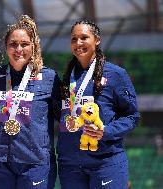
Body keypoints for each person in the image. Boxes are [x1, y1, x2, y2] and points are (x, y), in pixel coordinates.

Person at [57, 20, 140, 189]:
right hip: (71, 165)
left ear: (97, 40)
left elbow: (132, 116)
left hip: (106, 162)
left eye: (84, 37)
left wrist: (106, 131)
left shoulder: (116, 74)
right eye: (74, 39)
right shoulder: (66, 78)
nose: (78, 43)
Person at [0, 15, 61, 189]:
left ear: (33, 46)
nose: (18, 49)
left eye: (24, 44)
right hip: (0, 162)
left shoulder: (49, 78)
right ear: (6, 47)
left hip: (35, 163)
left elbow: (64, 116)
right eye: (13, 44)